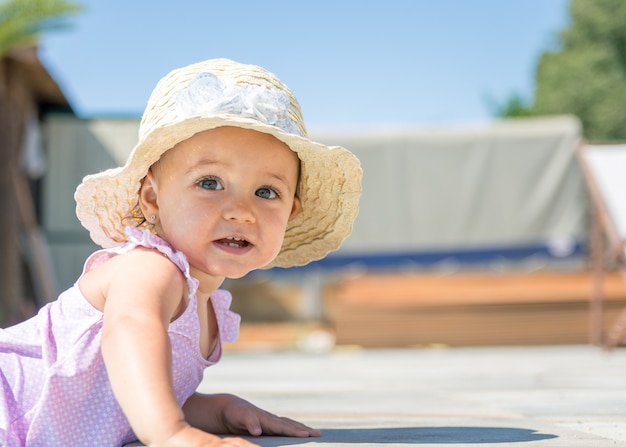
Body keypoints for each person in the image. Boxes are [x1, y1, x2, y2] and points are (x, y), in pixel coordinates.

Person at [0, 58, 362, 447]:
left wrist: (219, 409)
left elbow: (123, 401)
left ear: (290, 211)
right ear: (153, 198)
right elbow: (128, 333)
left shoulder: (203, 308)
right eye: (210, 182)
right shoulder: (148, 269)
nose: (241, 209)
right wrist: (170, 433)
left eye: (266, 192)